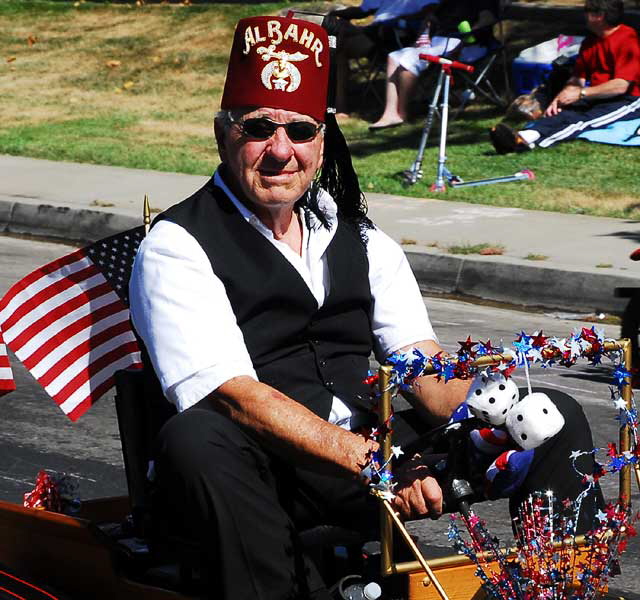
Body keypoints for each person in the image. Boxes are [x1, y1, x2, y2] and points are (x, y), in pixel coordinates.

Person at [129, 14, 600, 599]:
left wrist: (487, 407)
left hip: (370, 452)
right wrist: (379, 464)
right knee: (198, 437)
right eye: (259, 129)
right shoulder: (177, 244)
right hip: (270, 471)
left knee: (553, 413)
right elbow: (233, 397)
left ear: (322, 141)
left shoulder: (361, 237)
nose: (281, 151)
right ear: (224, 133)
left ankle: (554, 590)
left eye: (300, 132)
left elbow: (422, 371)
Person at [490, 0, 640, 153]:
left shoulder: (627, 39)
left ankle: (526, 139)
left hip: (630, 100)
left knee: (582, 121)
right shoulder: (590, 41)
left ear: (599, 16)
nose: (585, 16)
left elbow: (621, 86)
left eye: (587, 12)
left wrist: (581, 93)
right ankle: (522, 138)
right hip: (597, 96)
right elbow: (578, 77)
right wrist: (562, 96)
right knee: (564, 113)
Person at [369, 0, 500, 129]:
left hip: (465, 44)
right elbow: (433, 18)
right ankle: (390, 112)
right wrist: (426, 30)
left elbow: (487, 18)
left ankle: (402, 113)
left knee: (409, 60)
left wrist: (467, 36)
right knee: (393, 56)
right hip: (438, 43)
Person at [328, 0, 439, 116]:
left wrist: (399, 20)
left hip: (399, 35)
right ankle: (338, 105)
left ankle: (336, 106)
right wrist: (336, 13)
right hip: (374, 32)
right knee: (336, 42)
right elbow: (363, 10)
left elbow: (432, 9)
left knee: (338, 37)